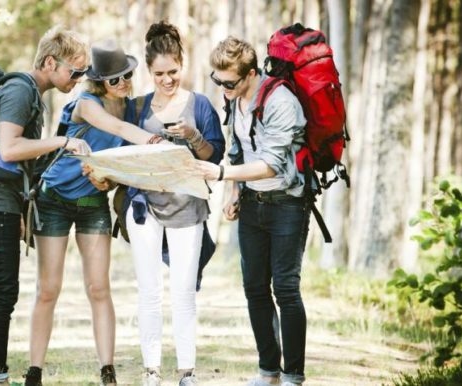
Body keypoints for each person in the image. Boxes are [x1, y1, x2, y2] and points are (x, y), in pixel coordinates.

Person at [0, 26, 92, 386]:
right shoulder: (19, 90)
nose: (78, 80)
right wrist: (60, 141)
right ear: (50, 62)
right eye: (74, 71)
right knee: (2, 291)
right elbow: (9, 149)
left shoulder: (31, 93)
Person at [24, 40, 163, 386]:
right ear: (100, 82)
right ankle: (34, 371)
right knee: (48, 288)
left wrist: (110, 181)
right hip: (54, 198)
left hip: (92, 204)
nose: (124, 84)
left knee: (99, 287)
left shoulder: (130, 109)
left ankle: (108, 371)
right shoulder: (85, 103)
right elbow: (116, 131)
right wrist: (153, 142)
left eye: (127, 76)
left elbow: (119, 166)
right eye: (115, 80)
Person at [196, 37, 309, 386]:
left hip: (287, 203)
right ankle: (268, 372)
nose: (223, 89)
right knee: (254, 288)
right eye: (218, 81)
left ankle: (293, 376)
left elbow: (271, 165)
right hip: (252, 205)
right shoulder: (235, 99)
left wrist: (222, 175)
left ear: (250, 73)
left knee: (286, 289)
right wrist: (233, 190)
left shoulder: (281, 102)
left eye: (229, 83)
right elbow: (238, 149)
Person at [124, 21, 225, 386]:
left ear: (183, 64)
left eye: (173, 72)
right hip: (143, 208)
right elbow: (124, 152)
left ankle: (187, 372)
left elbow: (214, 156)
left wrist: (193, 136)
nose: (167, 80)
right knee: (149, 290)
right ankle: (151, 370)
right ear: (149, 72)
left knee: (183, 290)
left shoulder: (200, 105)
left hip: (188, 208)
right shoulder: (136, 107)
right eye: (159, 74)